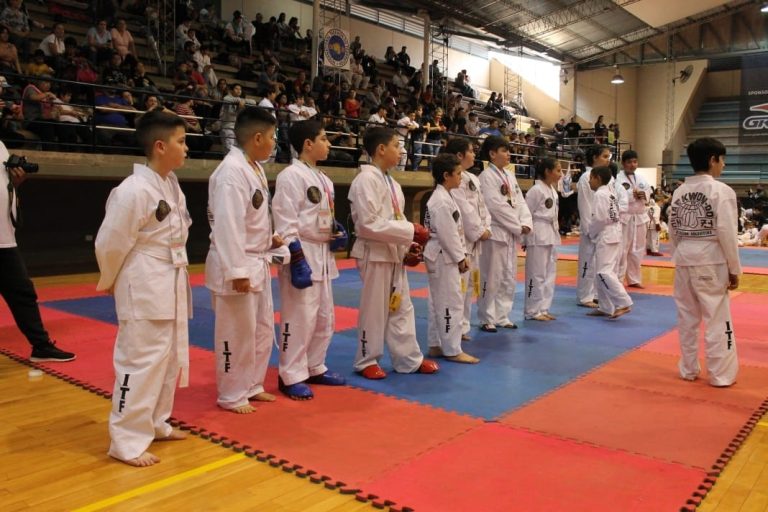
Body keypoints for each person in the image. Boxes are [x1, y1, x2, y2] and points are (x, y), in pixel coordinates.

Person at [94, 110, 191, 467]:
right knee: (139, 361)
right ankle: (125, 440)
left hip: (169, 275)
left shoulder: (170, 184)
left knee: (166, 360)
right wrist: (111, 278)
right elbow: (110, 242)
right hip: (144, 279)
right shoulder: (132, 190)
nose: (186, 148)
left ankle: (155, 421)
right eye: (181, 141)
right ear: (160, 146)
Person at [205, 108, 288, 413]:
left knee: (261, 329)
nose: (273, 142)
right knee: (235, 333)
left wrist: (270, 239)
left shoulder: (252, 167)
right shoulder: (231, 172)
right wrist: (236, 271)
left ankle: (251, 384)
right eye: (271, 137)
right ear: (257, 137)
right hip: (237, 264)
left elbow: (252, 218)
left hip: (257, 259)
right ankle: (230, 393)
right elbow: (227, 225)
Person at [348, 127, 439, 379]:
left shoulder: (392, 183)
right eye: (397, 146)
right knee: (375, 309)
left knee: (403, 308)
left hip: (392, 254)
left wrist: (407, 249)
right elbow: (369, 224)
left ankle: (408, 358)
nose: (401, 151)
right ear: (381, 149)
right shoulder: (365, 180)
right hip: (374, 254)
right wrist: (412, 230)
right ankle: (366, 359)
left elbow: (394, 220)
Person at [272, 120, 347, 400]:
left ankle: (315, 365)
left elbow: (319, 215)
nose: (329, 144)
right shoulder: (291, 176)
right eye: (324, 139)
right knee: (299, 317)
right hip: (302, 252)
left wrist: (336, 229)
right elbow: (285, 220)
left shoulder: (324, 178)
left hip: (323, 253)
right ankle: (289, 374)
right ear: (308, 144)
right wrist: (296, 256)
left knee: (325, 316)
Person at [668, 137, 740, 387]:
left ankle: (688, 369)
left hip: (684, 257)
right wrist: (734, 269)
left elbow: (673, 229)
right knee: (718, 319)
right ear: (712, 160)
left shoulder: (679, 191)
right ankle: (721, 375)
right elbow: (728, 234)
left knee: (687, 318)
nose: (724, 165)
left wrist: (681, 253)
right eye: (722, 160)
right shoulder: (722, 191)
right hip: (711, 259)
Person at [0, 140, 75, 362]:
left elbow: (7, 186)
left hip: (4, 238)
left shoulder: (1, 145)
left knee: (23, 292)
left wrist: (16, 180)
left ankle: (40, 346)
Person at [423, 153, 478, 364]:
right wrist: (461, 257)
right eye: (458, 174)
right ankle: (452, 349)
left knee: (439, 301)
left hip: (441, 255)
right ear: (446, 175)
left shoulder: (444, 196)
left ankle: (436, 344)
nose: (461, 178)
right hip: (444, 256)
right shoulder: (441, 201)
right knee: (450, 302)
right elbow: (448, 234)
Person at [476, 136, 532, 332]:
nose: (509, 154)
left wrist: (525, 222)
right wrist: (518, 226)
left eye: (509, 150)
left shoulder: (510, 175)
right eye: (504, 150)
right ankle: (486, 317)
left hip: (510, 233)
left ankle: (502, 315)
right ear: (492, 154)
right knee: (491, 276)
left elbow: (520, 201)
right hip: (497, 232)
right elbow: (495, 206)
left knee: (508, 277)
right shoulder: (486, 177)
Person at [440, 138, 491, 341]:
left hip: (475, 239)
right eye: (471, 151)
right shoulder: (454, 182)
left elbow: (482, 207)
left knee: (470, 285)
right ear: (460, 155)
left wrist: (486, 227)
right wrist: (479, 231)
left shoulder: (473, 178)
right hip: (463, 239)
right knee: (459, 286)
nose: (474, 154)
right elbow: (464, 210)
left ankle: (463, 325)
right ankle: (455, 328)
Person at [586, 166, 633, 319]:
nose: (589, 181)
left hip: (606, 234)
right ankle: (606, 307)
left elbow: (599, 219)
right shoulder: (610, 192)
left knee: (603, 272)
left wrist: (591, 232)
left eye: (591, 177)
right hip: (613, 233)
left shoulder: (600, 194)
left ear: (598, 178)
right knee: (603, 271)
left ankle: (623, 302)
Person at [524, 157, 561, 321]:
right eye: (558, 170)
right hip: (537, 233)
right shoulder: (535, 190)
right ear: (547, 171)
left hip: (551, 232)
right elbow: (526, 214)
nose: (560, 174)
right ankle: (532, 310)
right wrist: (525, 238)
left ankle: (543, 308)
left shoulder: (553, 190)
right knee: (536, 274)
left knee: (549, 273)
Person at [576, 144, 612, 308]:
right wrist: (588, 229)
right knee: (587, 262)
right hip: (590, 226)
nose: (607, 160)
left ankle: (595, 293)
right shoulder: (586, 177)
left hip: (601, 226)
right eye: (605, 156)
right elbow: (585, 205)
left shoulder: (606, 178)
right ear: (595, 158)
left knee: (598, 263)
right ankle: (585, 296)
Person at [616, 149, 651, 287]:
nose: (633, 164)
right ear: (623, 163)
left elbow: (648, 193)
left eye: (635, 161)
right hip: (626, 217)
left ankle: (634, 279)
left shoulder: (641, 178)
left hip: (640, 218)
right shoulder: (618, 179)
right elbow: (619, 196)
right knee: (622, 249)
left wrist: (644, 195)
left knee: (638, 249)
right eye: (629, 162)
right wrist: (632, 195)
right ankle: (618, 280)